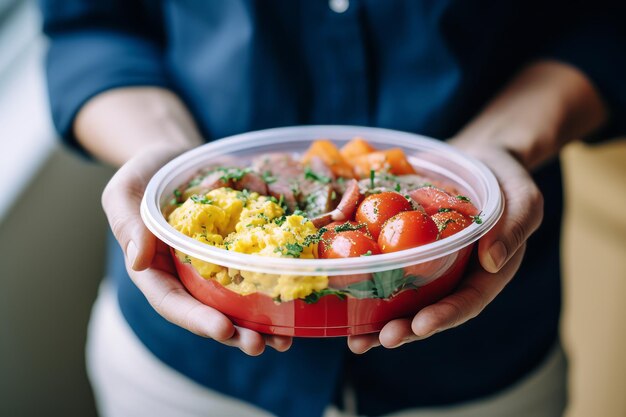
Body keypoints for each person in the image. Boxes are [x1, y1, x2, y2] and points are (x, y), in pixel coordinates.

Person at [40, 1, 625, 416]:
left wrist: (506, 143)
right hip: (188, 371)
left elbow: (604, 23)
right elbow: (89, 24)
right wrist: (162, 154)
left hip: (477, 362)